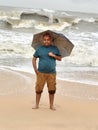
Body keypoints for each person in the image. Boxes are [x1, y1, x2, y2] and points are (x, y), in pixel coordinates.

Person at [32, 32, 62, 110]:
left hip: (52, 73)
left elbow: (60, 58)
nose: (46, 41)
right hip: (40, 73)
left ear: (51, 40)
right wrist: (35, 70)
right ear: (42, 40)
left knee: (52, 90)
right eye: (45, 40)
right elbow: (34, 59)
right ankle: (37, 105)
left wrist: (53, 55)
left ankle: (51, 105)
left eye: (48, 40)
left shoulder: (54, 48)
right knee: (38, 90)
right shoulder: (39, 49)